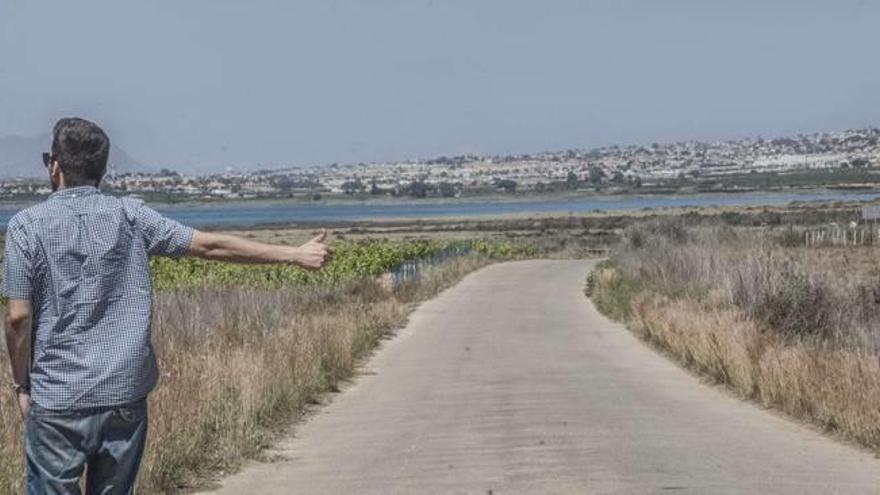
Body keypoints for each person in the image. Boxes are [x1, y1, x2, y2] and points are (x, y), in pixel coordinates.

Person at [2, 117, 333, 494]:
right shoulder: (131, 216)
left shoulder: (26, 226)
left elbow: (18, 316)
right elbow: (210, 246)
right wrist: (293, 254)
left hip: (58, 395)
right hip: (123, 392)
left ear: (55, 165)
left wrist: (21, 385)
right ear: (103, 170)